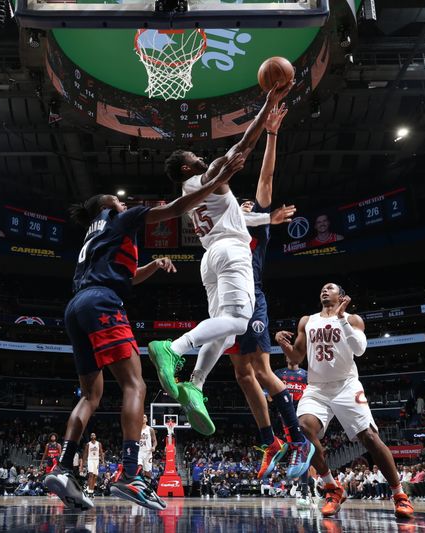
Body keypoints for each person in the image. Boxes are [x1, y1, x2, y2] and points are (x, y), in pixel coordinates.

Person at [45, 155, 246, 512]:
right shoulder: (123, 217)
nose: (122, 202)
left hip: (75, 307)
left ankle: (62, 468)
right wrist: (219, 180)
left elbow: (123, 276)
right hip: (103, 304)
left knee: (91, 394)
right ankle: (129, 474)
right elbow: (178, 207)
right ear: (107, 206)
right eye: (116, 199)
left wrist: (151, 266)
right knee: (134, 385)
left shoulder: (91, 237)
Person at [148, 79, 294, 436]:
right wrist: (267, 105)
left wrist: (266, 218)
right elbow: (245, 142)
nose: (198, 155)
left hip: (210, 258)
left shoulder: (190, 193)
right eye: (191, 156)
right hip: (230, 253)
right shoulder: (208, 173)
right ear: (186, 168)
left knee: (223, 333)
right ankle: (173, 347)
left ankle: (193, 383)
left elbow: (236, 215)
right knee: (240, 322)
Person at [218, 102, 312, 482]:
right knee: (242, 374)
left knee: (260, 368)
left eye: (246, 205)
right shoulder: (226, 231)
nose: (243, 206)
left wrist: (271, 134)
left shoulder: (257, 226)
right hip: (228, 304)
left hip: (252, 299)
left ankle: (297, 438)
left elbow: (266, 181)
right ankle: (269, 440)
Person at [275, 283, 415, 519]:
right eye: (322, 288)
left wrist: (341, 319)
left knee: (369, 438)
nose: (324, 290)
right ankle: (332, 488)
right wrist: (282, 343)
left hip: (347, 385)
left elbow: (359, 350)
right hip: (317, 387)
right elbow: (297, 356)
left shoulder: (353, 319)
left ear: (341, 295)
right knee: (303, 428)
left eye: (330, 288)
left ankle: (399, 495)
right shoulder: (307, 321)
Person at [272, 356, 312, 501]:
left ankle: (304, 490)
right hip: (284, 416)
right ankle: (295, 487)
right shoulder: (278, 374)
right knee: (296, 450)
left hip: (302, 414)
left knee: (302, 450)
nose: (291, 354)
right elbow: (268, 396)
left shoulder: (307, 375)